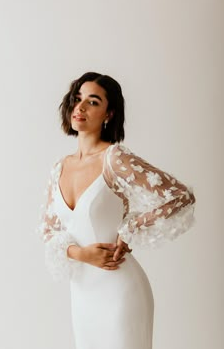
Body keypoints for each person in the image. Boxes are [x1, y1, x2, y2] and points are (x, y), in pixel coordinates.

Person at [36, 72, 196, 349]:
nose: (81, 107)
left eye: (93, 101)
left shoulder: (115, 158)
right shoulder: (59, 168)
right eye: (77, 99)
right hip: (83, 294)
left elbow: (181, 196)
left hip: (120, 291)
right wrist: (80, 253)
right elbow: (49, 231)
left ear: (109, 113)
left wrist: (131, 229)